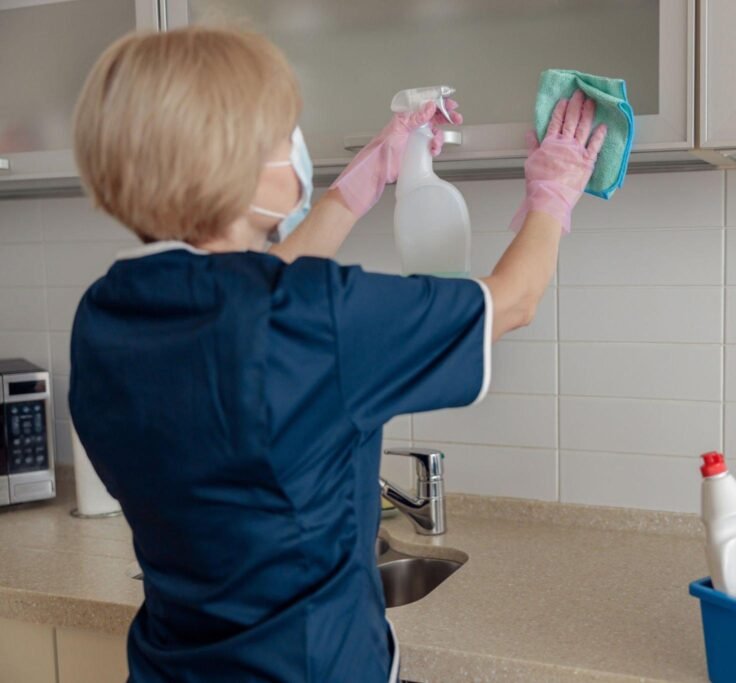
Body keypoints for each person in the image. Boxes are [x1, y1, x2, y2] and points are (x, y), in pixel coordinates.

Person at [68, 26, 605, 682]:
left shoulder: (105, 315)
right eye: (278, 135)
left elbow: (250, 304)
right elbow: (513, 299)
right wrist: (554, 191)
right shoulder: (312, 318)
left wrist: (363, 182)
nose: (293, 146)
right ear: (224, 160)